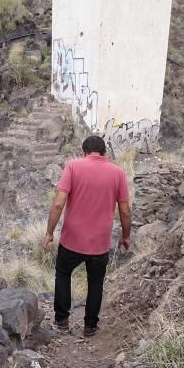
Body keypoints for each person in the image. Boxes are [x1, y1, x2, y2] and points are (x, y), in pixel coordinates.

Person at [41, 135, 131, 338]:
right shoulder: (118, 173)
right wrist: (126, 236)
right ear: (104, 153)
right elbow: (125, 211)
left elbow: (58, 203)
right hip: (100, 243)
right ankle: (90, 326)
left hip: (71, 239)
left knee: (63, 275)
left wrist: (49, 233)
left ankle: (62, 320)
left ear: (84, 152)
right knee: (96, 282)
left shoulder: (73, 167)